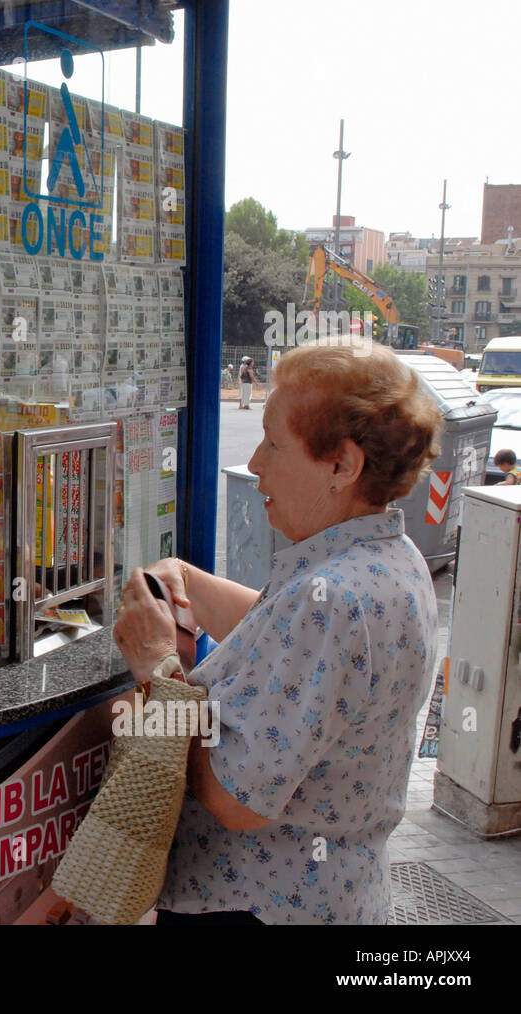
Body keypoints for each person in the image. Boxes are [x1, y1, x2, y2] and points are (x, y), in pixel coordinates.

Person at [112, 341, 442, 924]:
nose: (257, 462)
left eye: (274, 442)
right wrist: (189, 581)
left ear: (341, 465)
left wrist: (159, 667)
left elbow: (237, 800)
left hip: (256, 906)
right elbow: (290, 655)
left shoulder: (334, 600)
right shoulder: (390, 558)